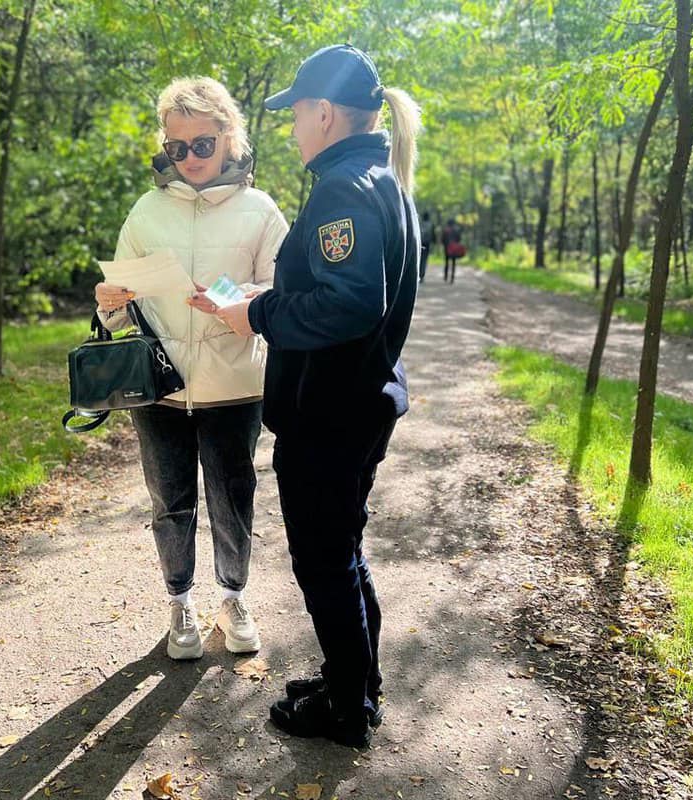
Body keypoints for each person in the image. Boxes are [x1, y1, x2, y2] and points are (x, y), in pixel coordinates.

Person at [205, 44, 421, 748]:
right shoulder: (375, 178)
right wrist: (264, 299)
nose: (293, 128)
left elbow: (352, 304)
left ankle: (347, 711)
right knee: (343, 553)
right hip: (353, 406)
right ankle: (355, 681)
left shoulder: (343, 189)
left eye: (298, 114)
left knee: (324, 560)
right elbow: (340, 294)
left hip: (329, 415)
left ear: (324, 113)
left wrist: (257, 314)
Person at [94, 77, 289, 661]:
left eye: (201, 144)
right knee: (169, 501)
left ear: (229, 138)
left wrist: (234, 298)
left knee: (233, 499)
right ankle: (179, 604)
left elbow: (285, 297)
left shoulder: (260, 210)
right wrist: (110, 307)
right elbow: (120, 317)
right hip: (159, 387)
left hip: (235, 387)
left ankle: (233, 598)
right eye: (176, 149)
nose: (190, 158)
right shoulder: (145, 211)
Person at [441, 218, 462, 283]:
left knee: (446, 262)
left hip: (447, 248)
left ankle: (445, 276)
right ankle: (452, 277)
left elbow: (442, 239)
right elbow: (459, 239)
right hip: (454, 248)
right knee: (453, 263)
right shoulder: (456, 230)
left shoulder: (446, 230)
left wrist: (445, 244)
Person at [419, 211, 435, 281]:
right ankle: (422, 275)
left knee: (419, 259)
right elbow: (433, 235)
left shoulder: (419, 223)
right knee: (424, 260)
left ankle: (418, 274)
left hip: (419, 243)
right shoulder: (431, 224)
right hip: (427, 244)